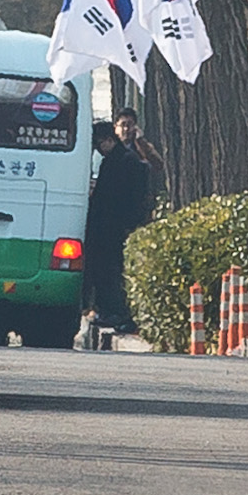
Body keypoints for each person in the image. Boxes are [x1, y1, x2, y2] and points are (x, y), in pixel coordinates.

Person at [81, 120, 154, 339]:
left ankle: (117, 312)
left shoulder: (124, 161)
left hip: (114, 227)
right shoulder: (116, 160)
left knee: (112, 271)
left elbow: (127, 198)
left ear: (108, 141)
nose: (98, 149)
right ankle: (107, 311)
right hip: (109, 227)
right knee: (104, 271)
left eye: (99, 144)